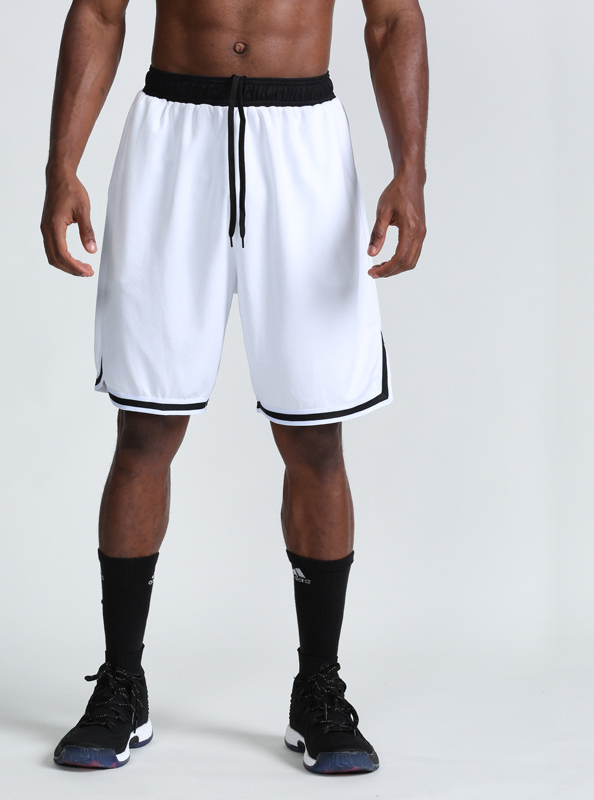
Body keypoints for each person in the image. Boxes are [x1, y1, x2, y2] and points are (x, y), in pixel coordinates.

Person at [40, 0, 427, 775]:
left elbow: (392, 20)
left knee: (315, 435)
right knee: (145, 427)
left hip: (303, 142)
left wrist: (410, 173)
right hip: (172, 137)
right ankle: (121, 684)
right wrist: (62, 166)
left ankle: (318, 688)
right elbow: (101, 12)